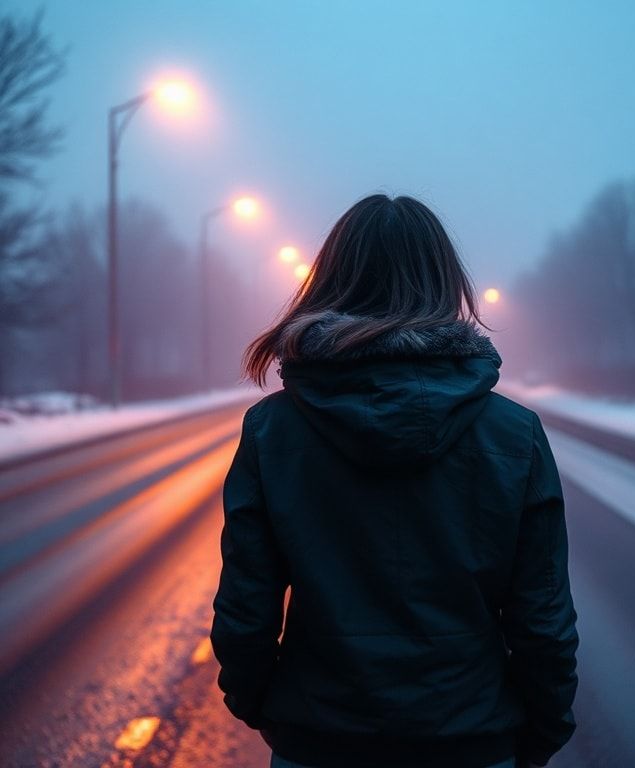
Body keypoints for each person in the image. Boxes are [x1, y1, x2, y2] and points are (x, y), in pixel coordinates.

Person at [210, 193, 579, 768]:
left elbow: (245, 613)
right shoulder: (514, 434)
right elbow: (543, 621)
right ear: (444, 283)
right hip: (470, 741)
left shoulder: (272, 431)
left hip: (321, 739)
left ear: (330, 280)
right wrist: (538, 734)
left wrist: (269, 709)